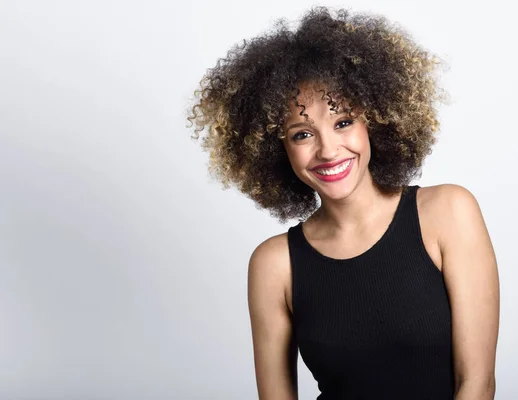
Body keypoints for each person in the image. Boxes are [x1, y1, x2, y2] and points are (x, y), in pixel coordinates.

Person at [188, 7, 499, 399]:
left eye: (343, 122)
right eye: (302, 134)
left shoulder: (448, 213)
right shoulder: (274, 265)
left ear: (375, 120)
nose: (328, 150)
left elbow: (477, 383)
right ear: (276, 149)